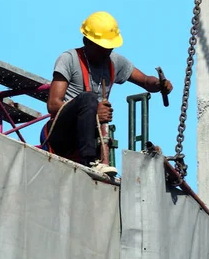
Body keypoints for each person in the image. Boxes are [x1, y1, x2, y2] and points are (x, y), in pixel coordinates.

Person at [40, 11, 173, 176]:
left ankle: (93, 161)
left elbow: (145, 81)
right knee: (88, 99)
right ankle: (90, 163)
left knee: (91, 103)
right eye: (101, 47)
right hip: (61, 135)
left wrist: (159, 85)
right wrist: (93, 112)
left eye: (109, 47)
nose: (106, 52)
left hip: (87, 138)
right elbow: (53, 105)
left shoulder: (114, 62)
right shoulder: (69, 59)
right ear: (86, 41)